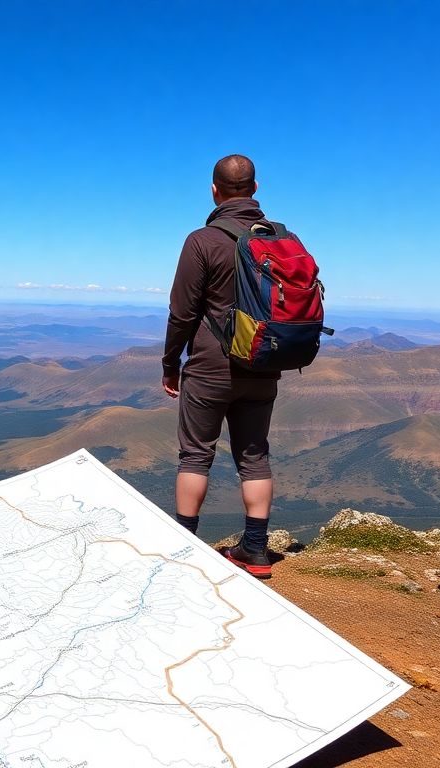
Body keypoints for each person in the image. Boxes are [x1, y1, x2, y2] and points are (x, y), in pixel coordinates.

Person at [160, 154, 279, 579]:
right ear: (255, 188)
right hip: (264, 365)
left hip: (211, 366)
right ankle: (257, 550)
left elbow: (182, 312)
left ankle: (184, 544)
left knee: (195, 456)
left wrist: (171, 363)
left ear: (214, 189)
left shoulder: (202, 241)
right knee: (254, 457)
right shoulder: (281, 239)